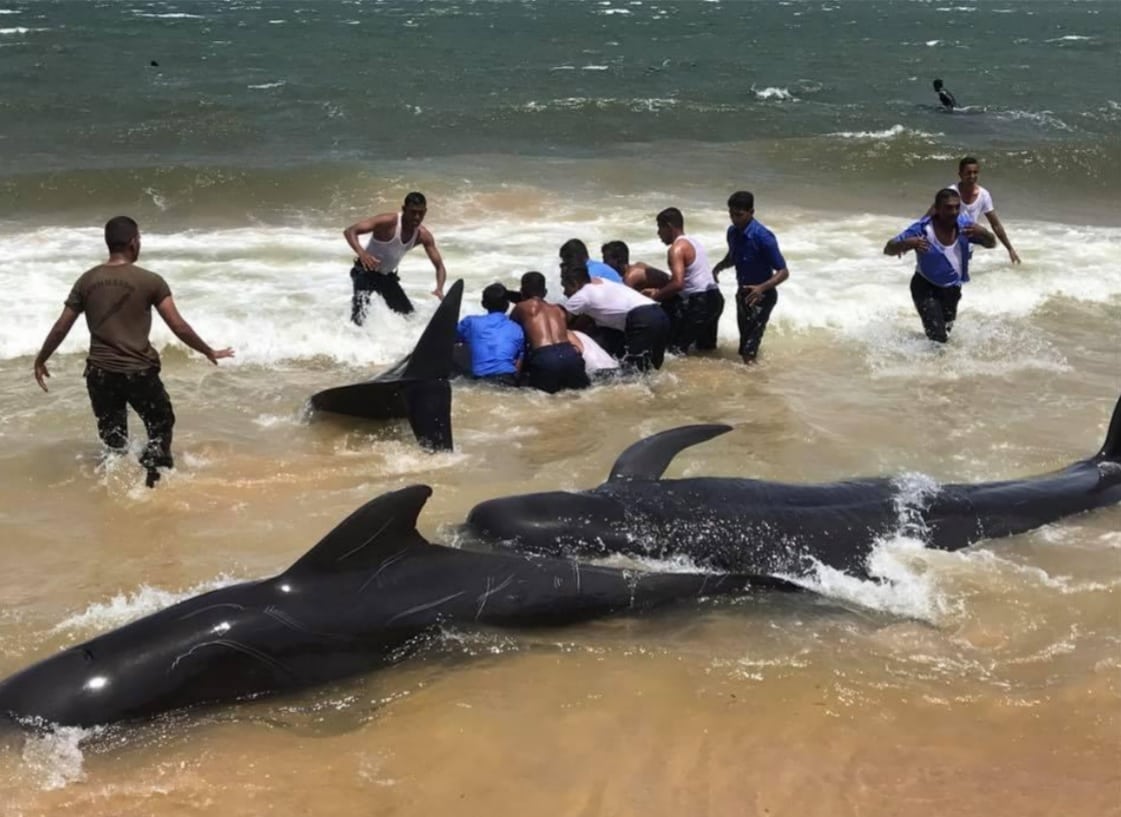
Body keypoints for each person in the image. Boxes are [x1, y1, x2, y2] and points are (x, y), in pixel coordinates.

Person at [32, 216, 234, 487]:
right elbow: (178, 325)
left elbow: (61, 327)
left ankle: (114, 489)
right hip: (139, 373)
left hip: (100, 375)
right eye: (139, 239)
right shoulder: (151, 281)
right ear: (132, 242)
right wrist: (207, 350)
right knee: (161, 424)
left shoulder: (87, 280)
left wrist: (41, 358)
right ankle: (152, 481)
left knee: (113, 439)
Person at [884, 187, 996, 343]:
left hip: (952, 289)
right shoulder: (922, 229)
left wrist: (982, 231)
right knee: (938, 337)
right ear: (936, 209)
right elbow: (888, 249)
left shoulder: (965, 227)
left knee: (945, 334)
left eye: (957, 207)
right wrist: (909, 243)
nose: (954, 212)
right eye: (948, 208)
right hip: (924, 287)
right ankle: (931, 365)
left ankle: (931, 362)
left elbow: (992, 244)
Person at [343, 192, 448, 325]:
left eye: (421, 213)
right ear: (404, 209)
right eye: (413, 212)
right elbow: (350, 231)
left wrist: (439, 288)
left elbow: (439, 266)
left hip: (386, 277)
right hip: (364, 272)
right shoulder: (388, 221)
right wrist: (362, 254)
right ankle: (352, 338)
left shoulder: (423, 235)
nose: (417, 217)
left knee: (409, 316)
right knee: (360, 316)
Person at [712, 191, 790, 364]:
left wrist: (761, 288)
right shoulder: (732, 232)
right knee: (745, 346)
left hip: (762, 296)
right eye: (731, 214)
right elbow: (733, 257)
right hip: (743, 293)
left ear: (751, 212)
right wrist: (718, 268)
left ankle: (753, 383)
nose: (734, 219)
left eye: (739, 215)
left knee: (749, 349)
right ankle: (752, 381)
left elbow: (783, 271)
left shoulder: (763, 237)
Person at [561, 263, 671, 372]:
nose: (564, 292)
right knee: (653, 367)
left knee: (635, 372)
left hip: (641, 319)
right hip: (659, 313)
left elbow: (559, 322)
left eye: (565, 287)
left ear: (574, 283)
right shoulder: (601, 281)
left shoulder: (580, 296)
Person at [645, 207, 724, 354]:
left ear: (669, 227)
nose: (658, 234)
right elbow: (691, 279)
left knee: (675, 352)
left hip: (700, 304)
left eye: (659, 228)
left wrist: (655, 297)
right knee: (705, 352)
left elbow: (678, 283)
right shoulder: (693, 242)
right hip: (715, 299)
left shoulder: (676, 248)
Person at [509, 272, 590, 394]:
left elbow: (512, 334)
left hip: (544, 358)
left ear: (522, 291)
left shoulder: (521, 308)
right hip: (570, 355)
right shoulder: (558, 309)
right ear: (545, 292)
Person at [948, 157, 1021, 264]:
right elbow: (932, 215)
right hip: (948, 242)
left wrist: (1010, 249)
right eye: (968, 173)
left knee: (991, 242)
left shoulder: (983, 195)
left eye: (975, 172)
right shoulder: (951, 192)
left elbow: (995, 224)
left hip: (967, 245)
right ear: (960, 174)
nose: (972, 176)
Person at [455, 283, 525, 387]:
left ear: (483, 304)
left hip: (481, 380)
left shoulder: (470, 322)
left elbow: (450, 339)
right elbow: (519, 360)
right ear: (507, 305)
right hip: (508, 379)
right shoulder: (517, 328)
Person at [601, 240, 670, 292]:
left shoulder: (631, 276)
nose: (603, 263)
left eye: (606, 259)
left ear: (618, 259)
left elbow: (624, 301)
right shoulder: (638, 266)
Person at [559, 238, 623, 284]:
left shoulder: (591, 272)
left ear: (574, 258)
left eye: (567, 263)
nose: (567, 267)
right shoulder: (597, 266)